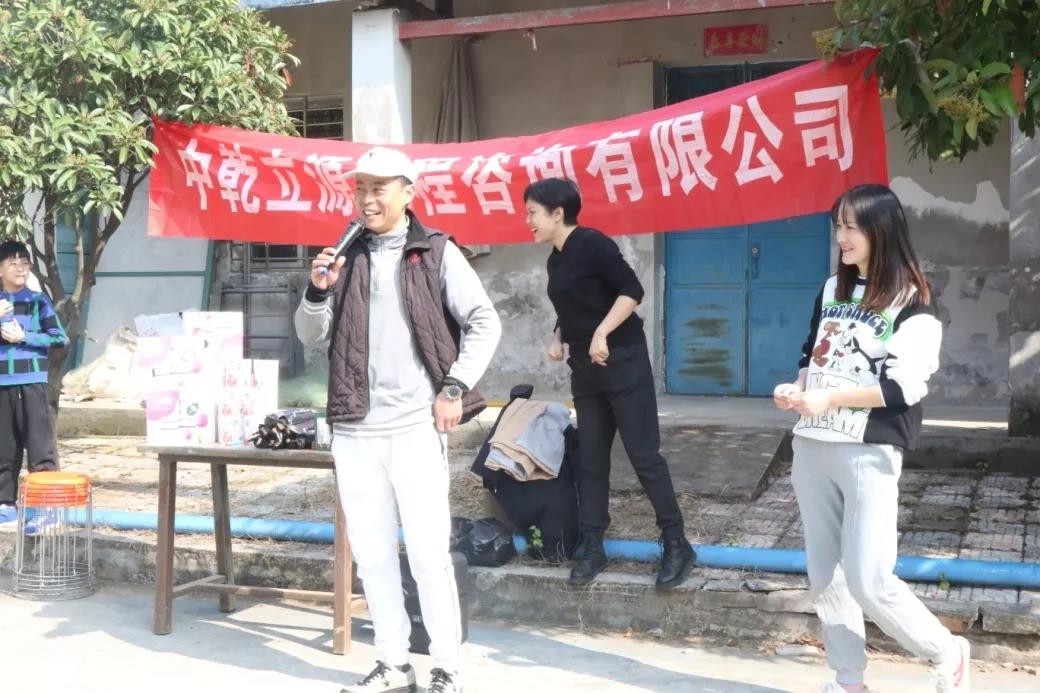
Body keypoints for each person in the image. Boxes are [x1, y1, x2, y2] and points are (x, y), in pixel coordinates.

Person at [295, 147, 501, 693]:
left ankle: (446, 667)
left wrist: (454, 386)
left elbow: (484, 321)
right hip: (354, 430)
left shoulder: (435, 252)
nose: (367, 198)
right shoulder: (344, 255)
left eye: (379, 187)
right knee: (372, 556)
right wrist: (317, 290)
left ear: (408, 193)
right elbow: (310, 335)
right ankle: (393, 663)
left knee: (429, 555)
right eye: (359, 187)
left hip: (413, 428)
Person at [773, 184, 969, 693]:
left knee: (869, 578)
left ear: (880, 231)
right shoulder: (831, 289)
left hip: (868, 449)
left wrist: (831, 399)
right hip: (812, 443)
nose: (841, 236)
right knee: (826, 575)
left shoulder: (913, 300)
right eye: (837, 225)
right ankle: (848, 682)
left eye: (851, 227)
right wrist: (796, 388)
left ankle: (945, 652)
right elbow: (810, 353)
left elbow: (904, 388)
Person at [523, 177, 695, 590]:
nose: (527, 221)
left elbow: (631, 290)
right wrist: (558, 336)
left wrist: (602, 332)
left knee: (644, 456)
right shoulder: (555, 260)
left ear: (557, 213)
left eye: (532, 212)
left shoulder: (593, 244)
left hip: (623, 361)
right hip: (586, 370)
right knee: (591, 459)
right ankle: (594, 543)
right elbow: (574, 305)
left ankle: (676, 543)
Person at [0, 240, 69, 524]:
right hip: (2, 384)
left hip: (32, 382)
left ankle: (45, 507)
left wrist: (25, 337)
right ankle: (5, 504)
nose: (21, 269)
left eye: (25, 263)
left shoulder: (38, 301)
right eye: (13, 263)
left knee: (40, 445)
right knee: (3, 447)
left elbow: (60, 338)